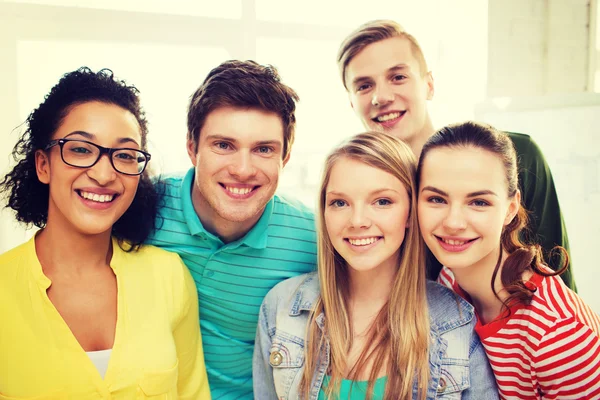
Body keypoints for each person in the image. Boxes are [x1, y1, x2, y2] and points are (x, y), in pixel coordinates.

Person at [0, 67, 210, 399]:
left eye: (125, 155)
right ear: (43, 165)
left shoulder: (169, 275)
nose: (103, 174)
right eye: (81, 149)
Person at [253, 132, 498, 399]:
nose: (357, 220)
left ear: (410, 212)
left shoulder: (455, 322)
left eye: (382, 201)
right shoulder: (282, 308)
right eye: (340, 202)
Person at [336, 20, 574, 290]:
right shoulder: (360, 197)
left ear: (429, 85)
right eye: (364, 86)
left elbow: (558, 281)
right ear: (351, 101)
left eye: (398, 77)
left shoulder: (520, 156)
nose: (381, 97)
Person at [146, 60, 317, 398]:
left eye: (263, 149)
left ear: (285, 157)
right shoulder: (141, 209)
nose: (242, 169)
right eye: (223, 145)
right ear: (192, 148)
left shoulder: (313, 239)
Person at [417, 121, 600, 399]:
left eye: (479, 202)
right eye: (436, 199)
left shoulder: (559, 334)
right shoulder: (448, 280)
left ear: (510, 209)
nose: (453, 222)